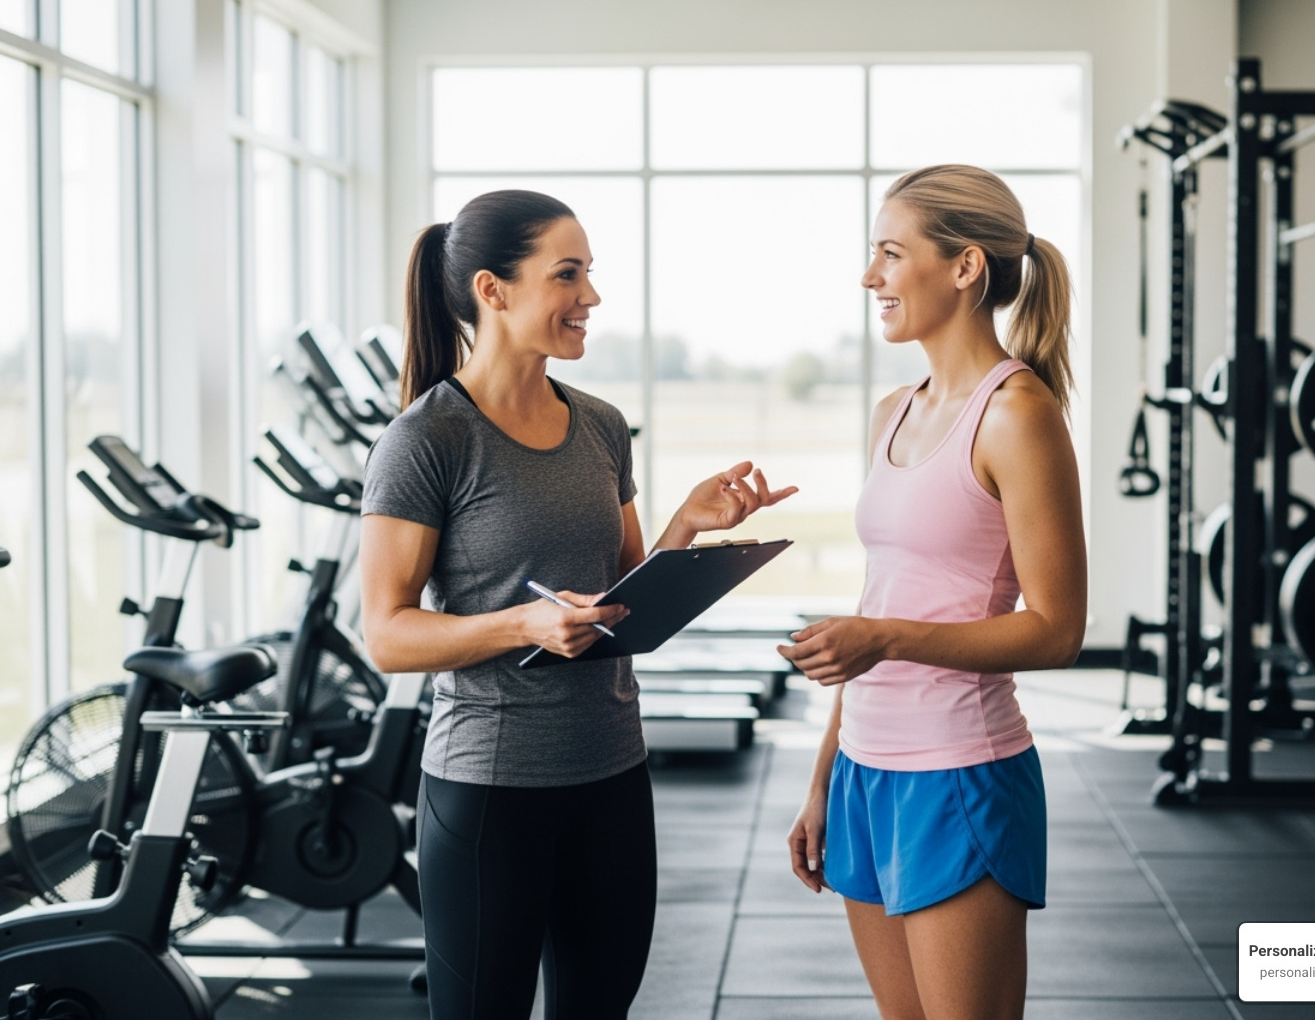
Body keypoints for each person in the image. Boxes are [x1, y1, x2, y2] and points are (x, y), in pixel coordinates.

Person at [358, 189, 796, 1020]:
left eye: (589, 273)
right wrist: (523, 623)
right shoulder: (428, 439)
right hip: (490, 789)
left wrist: (686, 527)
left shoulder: (600, 425)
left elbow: (626, 598)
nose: (590, 295)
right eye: (567, 274)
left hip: (612, 773)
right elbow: (386, 635)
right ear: (493, 290)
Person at [780, 165, 1087, 1020]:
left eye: (890, 253)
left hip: (960, 771)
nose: (869, 276)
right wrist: (824, 776)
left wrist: (886, 639)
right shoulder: (894, 410)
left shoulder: (1017, 414)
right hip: (865, 768)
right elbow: (880, 604)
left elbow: (1057, 630)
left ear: (965, 267)